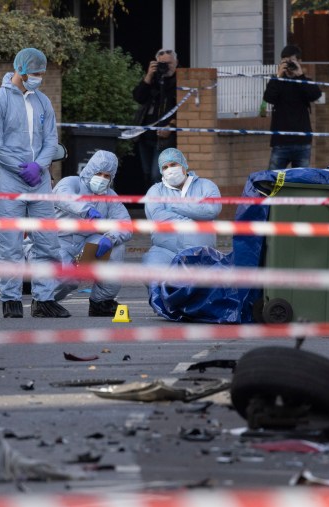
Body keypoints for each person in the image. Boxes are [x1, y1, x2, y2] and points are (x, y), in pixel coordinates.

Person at [0, 47, 67, 319]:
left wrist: (39, 166)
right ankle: (10, 299)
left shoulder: (43, 102)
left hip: (38, 181)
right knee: (10, 244)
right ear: (20, 70)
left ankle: (44, 299)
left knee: (48, 242)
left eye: (42, 73)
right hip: (9, 181)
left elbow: (50, 139)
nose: (40, 77)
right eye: (36, 73)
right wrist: (21, 168)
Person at [51, 150, 133, 317]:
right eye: (98, 173)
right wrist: (86, 210)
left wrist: (111, 237)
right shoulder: (71, 183)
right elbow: (63, 198)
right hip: (59, 242)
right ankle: (45, 301)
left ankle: (101, 302)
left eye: (107, 175)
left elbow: (125, 224)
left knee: (116, 248)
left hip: (87, 242)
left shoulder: (110, 196)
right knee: (67, 279)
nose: (102, 178)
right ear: (89, 170)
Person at [142, 148, 222, 280]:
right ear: (161, 171)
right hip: (165, 251)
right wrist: (194, 218)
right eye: (165, 167)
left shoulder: (206, 186)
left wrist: (175, 205)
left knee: (202, 290)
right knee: (151, 270)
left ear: (184, 165)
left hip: (200, 253)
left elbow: (211, 210)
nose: (170, 170)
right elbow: (158, 217)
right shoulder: (155, 191)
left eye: (173, 164)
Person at [263, 44, 322, 170]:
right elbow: (268, 97)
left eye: (293, 61)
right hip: (280, 142)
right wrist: (278, 76)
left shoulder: (304, 81)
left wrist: (300, 75)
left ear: (300, 61)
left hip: (302, 143)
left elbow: (315, 94)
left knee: (301, 182)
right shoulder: (278, 82)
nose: (289, 65)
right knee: (272, 181)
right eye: (286, 61)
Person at [133, 48, 178, 190]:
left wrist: (171, 126)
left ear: (176, 63)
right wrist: (149, 75)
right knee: (147, 174)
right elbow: (138, 97)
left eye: (169, 63)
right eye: (161, 63)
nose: (165, 66)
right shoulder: (154, 80)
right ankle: (153, 205)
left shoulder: (180, 81)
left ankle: (161, 205)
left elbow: (184, 109)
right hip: (146, 135)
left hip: (165, 137)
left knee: (156, 174)